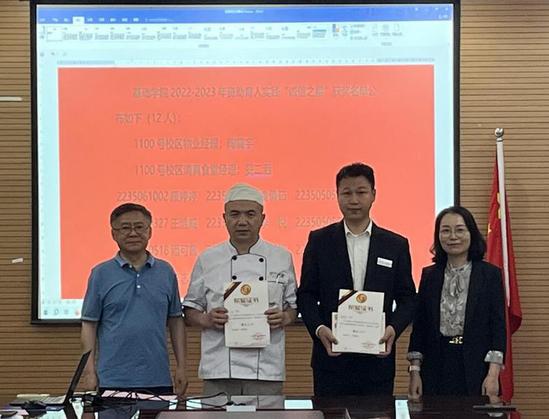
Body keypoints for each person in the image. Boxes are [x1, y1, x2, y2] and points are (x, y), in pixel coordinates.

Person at [297, 162, 417, 396]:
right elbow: (306, 294)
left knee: (377, 412)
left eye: (361, 192)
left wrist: (393, 328)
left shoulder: (395, 244)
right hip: (331, 360)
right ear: (337, 196)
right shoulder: (319, 241)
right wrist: (319, 329)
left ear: (373, 195)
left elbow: (408, 298)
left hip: (378, 362)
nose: (354, 200)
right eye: (347, 193)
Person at [183, 183, 297, 396]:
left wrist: (284, 317)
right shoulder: (208, 258)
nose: (242, 221)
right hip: (219, 367)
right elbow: (190, 309)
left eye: (250, 214)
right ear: (224, 218)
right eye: (234, 214)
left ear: (262, 218)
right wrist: (206, 319)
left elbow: (292, 307)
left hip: (266, 368)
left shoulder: (282, 257)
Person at [80, 203, 187, 396]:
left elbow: (176, 321)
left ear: (150, 231)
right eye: (125, 228)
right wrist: (88, 371)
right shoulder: (100, 274)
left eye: (139, 227)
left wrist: (181, 366)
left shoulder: (166, 271)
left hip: (157, 378)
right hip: (112, 379)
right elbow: (89, 325)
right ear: (113, 234)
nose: (133, 233)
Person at [407, 206, 506, 399]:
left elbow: (498, 327)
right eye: (445, 230)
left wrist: (493, 374)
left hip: (477, 366)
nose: (453, 237)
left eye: (460, 230)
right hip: (436, 366)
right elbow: (420, 328)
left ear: (471, 233)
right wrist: (414, 371)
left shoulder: (489, 275)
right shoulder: (430, 275)